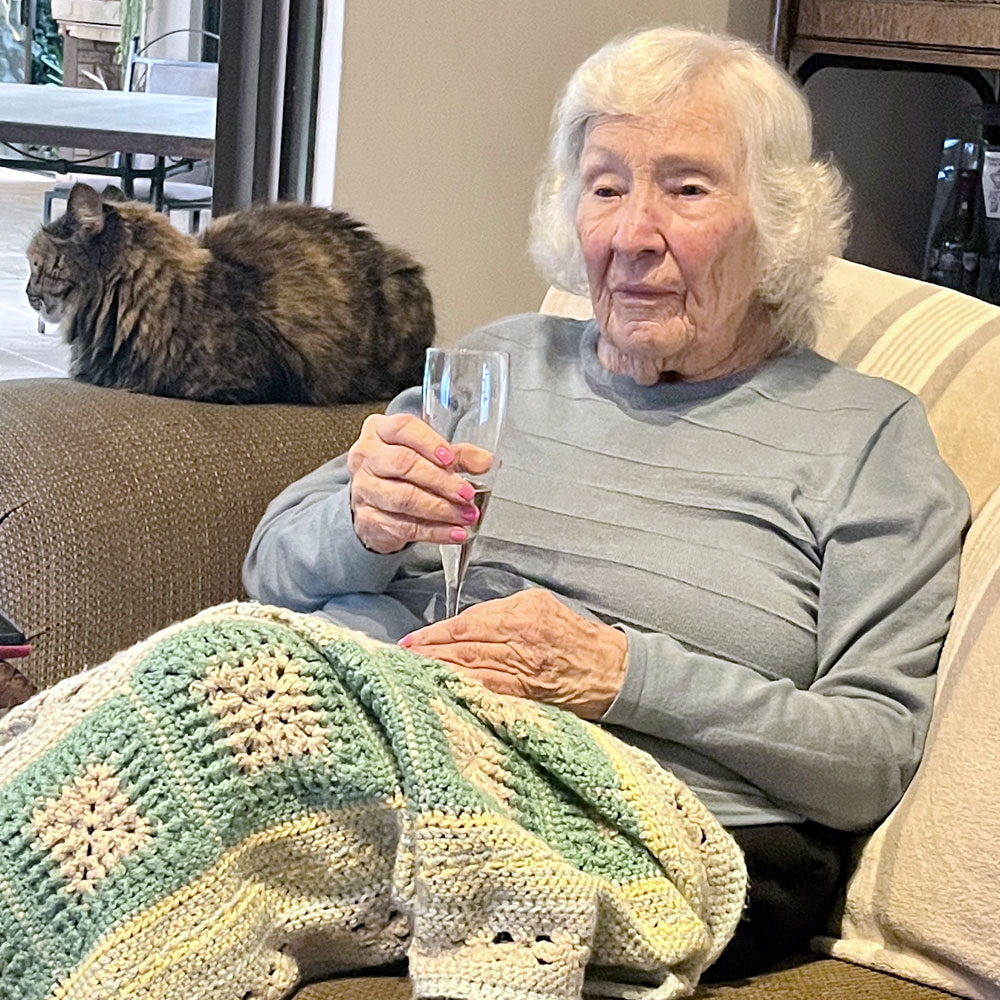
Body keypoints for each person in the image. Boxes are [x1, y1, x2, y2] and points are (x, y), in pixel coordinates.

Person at [243, 26, 969, 979]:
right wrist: (362, 526)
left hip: (638, 822)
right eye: (606, 187)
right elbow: (271, 569)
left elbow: (871, 757)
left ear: (778, 220)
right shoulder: (499, 362)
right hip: (371, 729)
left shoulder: (868, 438)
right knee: (192, 695)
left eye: (688, 189)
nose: (632, 235)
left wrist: (620, 672)